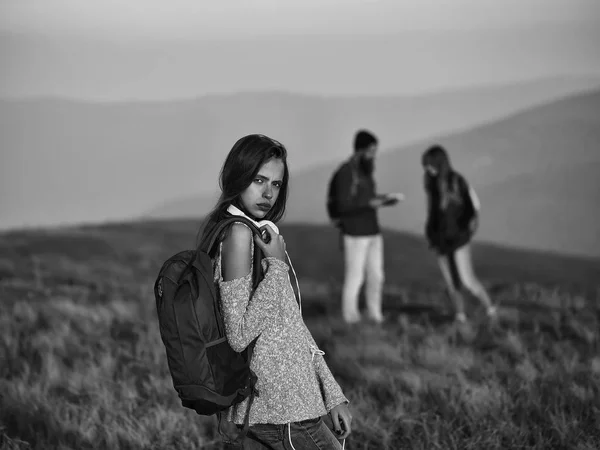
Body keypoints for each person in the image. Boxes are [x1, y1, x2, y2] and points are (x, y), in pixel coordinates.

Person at [199, 134, 352, 450]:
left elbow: (289, 327)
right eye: (258, 180)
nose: (268, 193)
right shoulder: (239, 236)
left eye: (276, 184)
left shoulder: (257, 234)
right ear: (238, 177)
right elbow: (239, 333)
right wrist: (278, 266)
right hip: (279, 409)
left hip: (281, 406)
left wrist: (331, 393)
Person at [332, 129, 402, 325]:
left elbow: (366, 197)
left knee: (377, 276)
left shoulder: (366, 171)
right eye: (371, 151)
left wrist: (384, 200)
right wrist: (370, 204)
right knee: (355, 277)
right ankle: (350, 318)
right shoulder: (346, 172)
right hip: (355, 233)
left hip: (372, 231)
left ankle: (375, 314)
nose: (374, 155)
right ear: (360, 150)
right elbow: (343, 205)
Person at [421, 144, 497, 323]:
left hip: (458, 239)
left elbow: (473, 207)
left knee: (467, 279)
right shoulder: (430, 184)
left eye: (430, 165)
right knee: (450, 282)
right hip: (440, 240)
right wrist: (431, 233)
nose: (427, 169)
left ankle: (490, 309)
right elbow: (431, 211)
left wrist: (466, 229)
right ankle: (460, 315)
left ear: (439, 163)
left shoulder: (457, 181)